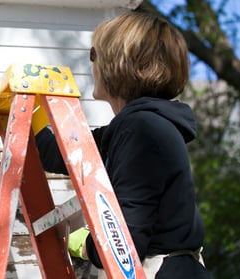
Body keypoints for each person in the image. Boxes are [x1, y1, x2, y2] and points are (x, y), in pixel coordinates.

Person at [33, 11, 210, 278]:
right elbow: (68, 154)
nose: (90, 64)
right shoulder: (135, 127)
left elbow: (125, 242)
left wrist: (86, 245)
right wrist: (4, 105)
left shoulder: (142, 129)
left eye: (94, 54)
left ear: (119, 63)